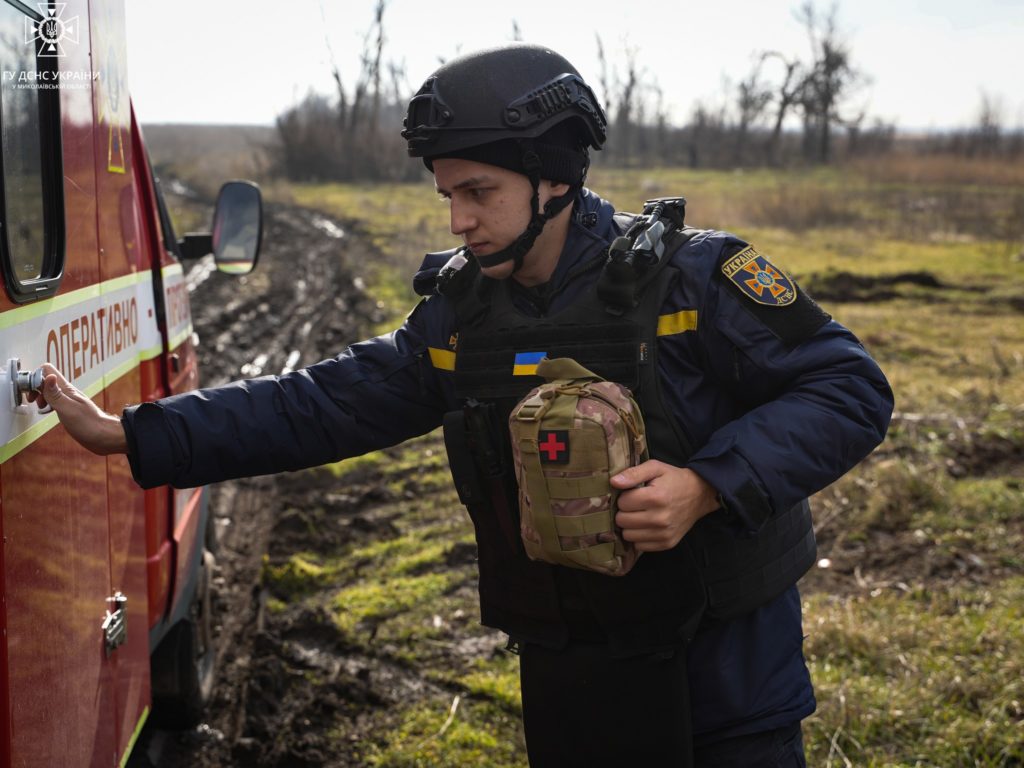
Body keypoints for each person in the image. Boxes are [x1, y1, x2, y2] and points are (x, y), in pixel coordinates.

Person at [34, 43, 893, 767]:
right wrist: (132, 434)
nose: (458, 220)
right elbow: (320, 404)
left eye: (478, 192)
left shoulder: (695, 278)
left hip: (728, 680)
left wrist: (707, 483)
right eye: (447, 194)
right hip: (572, 675)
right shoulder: (462, 314)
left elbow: (850, 386)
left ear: (553, 179)